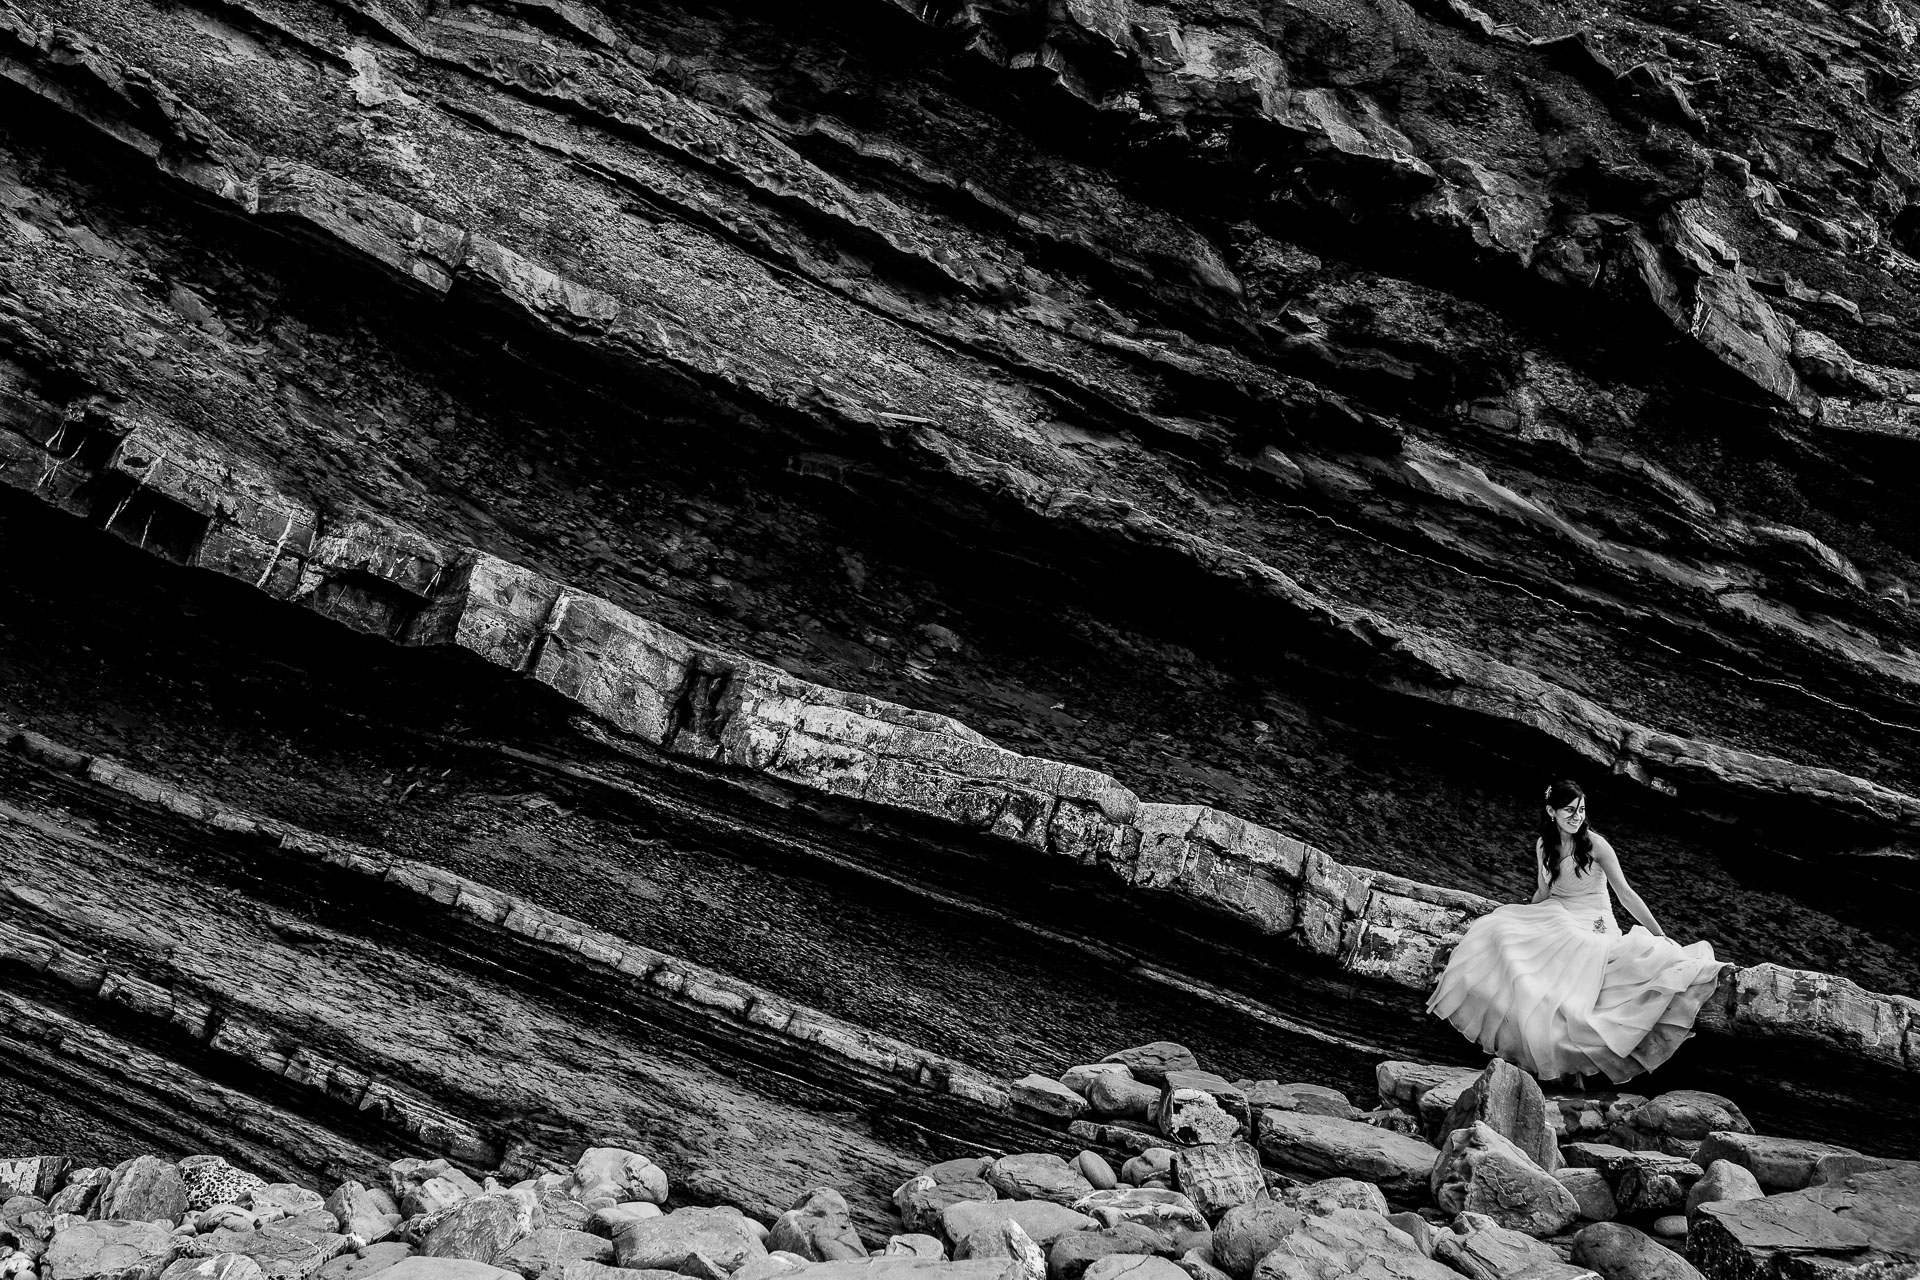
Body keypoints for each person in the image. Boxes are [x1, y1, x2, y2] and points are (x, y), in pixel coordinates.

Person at [1425, 779, 1729, 1087]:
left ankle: (1564, 1055)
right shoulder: (1544, 845)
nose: (1576, 816)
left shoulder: (1596, 845)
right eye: (1569, 810)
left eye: (1581, 810)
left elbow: (1624, 893)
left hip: (1594, 922)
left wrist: (1658, 933)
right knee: (1501, 932)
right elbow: (1544, 893)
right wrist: (1520, 916)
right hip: (1558, 912)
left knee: (1574, 953)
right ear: (1551, 811)